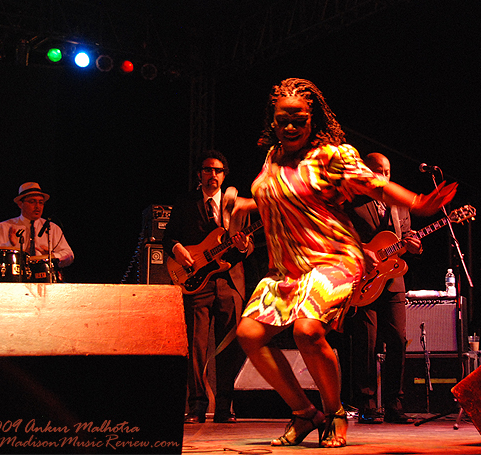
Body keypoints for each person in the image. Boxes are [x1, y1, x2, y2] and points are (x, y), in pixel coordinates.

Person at [234, 78, 457, 448]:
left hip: (333, 256)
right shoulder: (273, 158)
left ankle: (334, 411)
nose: (289, 126)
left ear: (313, 119)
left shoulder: (331, 156)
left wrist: (416, 203)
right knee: (249, 335)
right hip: (287, 267)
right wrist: (246, 203)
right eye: (281, 119)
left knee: (307, 331)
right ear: (272, 121)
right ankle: (305, 413)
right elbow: (281, 196)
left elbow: (375, 185)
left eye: (298, 118)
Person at [162, 150, 254, 424]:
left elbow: (245, 251)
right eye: (207, 170)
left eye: (217, 170)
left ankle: (225, 407)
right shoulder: (186, 202)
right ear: (199, 174)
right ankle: (197, 406)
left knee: (229, 346)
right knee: (196, 345)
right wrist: (178, 250)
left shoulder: (237, 206)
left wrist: (243, 246)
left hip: (229, 282)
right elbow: (169, 238)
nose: (212, 175)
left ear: (224, 175)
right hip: (196, 283)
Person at [344, 153, 422, 424]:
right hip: (364, 280)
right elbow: (341, 239)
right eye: (378, 171)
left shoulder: (399, 206)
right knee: (366, 341)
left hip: (393, 281)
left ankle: (394, 404)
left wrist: (414, 243)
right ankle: (366, 404)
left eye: (387, 172)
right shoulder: (352, 202)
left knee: (398, 340)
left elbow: (406, 236)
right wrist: (362, 250)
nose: (383, 177)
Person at [0, 182, 74, 270]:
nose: (37, 206)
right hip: (14, 276)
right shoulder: (5, 227)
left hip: (45, 278)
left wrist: (51, 257)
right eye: (32, 202)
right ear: (20, 204)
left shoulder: (52, 228)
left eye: (41, 202)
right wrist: (11, 247)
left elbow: (69, 255)